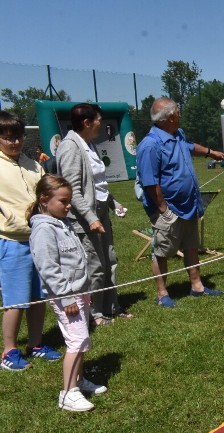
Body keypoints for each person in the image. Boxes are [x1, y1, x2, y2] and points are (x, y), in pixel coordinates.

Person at [136, 97, 224, 308]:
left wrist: (210, 152)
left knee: (191, 246)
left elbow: (188, 146)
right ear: (169, 117)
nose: (180, 114)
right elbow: (151, 183)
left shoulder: (177, 134)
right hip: (168, 209)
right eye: (178, 111)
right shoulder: (150, 145)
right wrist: (164, 210)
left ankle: (197, 286)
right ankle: (162, 293)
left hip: (188, 205)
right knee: (162, 252)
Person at [27, 175, 107, 411]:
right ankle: (67, 392)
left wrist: (83, 290)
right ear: (44, 200)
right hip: (65, 297)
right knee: (76, 341)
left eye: (69, 200)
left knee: (82, 339)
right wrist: (66, 296)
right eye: (63, 201)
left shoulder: (63, 223)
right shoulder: (43, 230)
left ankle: (79, 380)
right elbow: (48, 267)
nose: (68, 205)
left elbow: (74, 261)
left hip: (78, 292)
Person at [56, 103, 131, 327]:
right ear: (87, 123)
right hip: (83, 219)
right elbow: (72, 191)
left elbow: (97, 183)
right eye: (99, 120)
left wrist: (112, 203)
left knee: (110, 260)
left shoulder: (89, 143)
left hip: (99, 213)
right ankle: (95, 313)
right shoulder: (70, 147)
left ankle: (112, 307)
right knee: (94, 266)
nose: (102, 123)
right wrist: (91, 218)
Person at [0, 111, 61, 371]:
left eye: (19, 137)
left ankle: (35, 344)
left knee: (39, 295)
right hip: (12, 240)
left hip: (39, 238)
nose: (15, 142)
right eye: (8, 138)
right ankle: (9, 351)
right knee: (16, 299)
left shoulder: (32, 164)